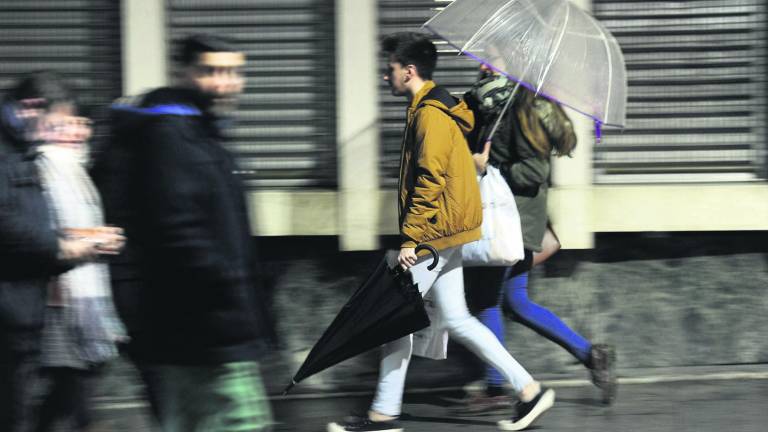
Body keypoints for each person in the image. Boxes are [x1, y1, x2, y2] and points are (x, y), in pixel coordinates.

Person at [327, 32, 554, 432]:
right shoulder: (437, 107)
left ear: (408, 71)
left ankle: (383, 413)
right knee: (456, 319)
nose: (386, 77)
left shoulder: (430, 114)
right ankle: (528, 389)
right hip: (447, 232)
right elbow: (447, 168)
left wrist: (412, 240)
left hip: (433, 234)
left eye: (390, 70)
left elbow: (430, 180)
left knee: (396, 319)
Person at [91, 34, 273, 432]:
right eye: (211, 71)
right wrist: (223, 284)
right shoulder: (169, 134)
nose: (224, 83)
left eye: (232, 73)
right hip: (197, 325)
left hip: (205, 324)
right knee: (235, 421)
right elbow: (175, 226)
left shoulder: (200, 131)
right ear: (184, 71)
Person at [461, 58, 617, 410]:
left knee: (486, 301)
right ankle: (592, 355)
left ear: (511, 66)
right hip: (510, 222)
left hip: (508, 223)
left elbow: (535, 169)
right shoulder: (493, 104)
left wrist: (489, 168)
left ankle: (495, 386)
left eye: (492, 60)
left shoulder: (520, 107)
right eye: (481, 59)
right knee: (515, 302)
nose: (483, 66)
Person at [0, 71, 123, 432]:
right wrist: (65, 246)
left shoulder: (21, 149)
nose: (64, 132)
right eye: (58, 123)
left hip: (24, 309)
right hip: (19, 309)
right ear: (32, 108)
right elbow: (10, 222)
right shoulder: (18, 155)